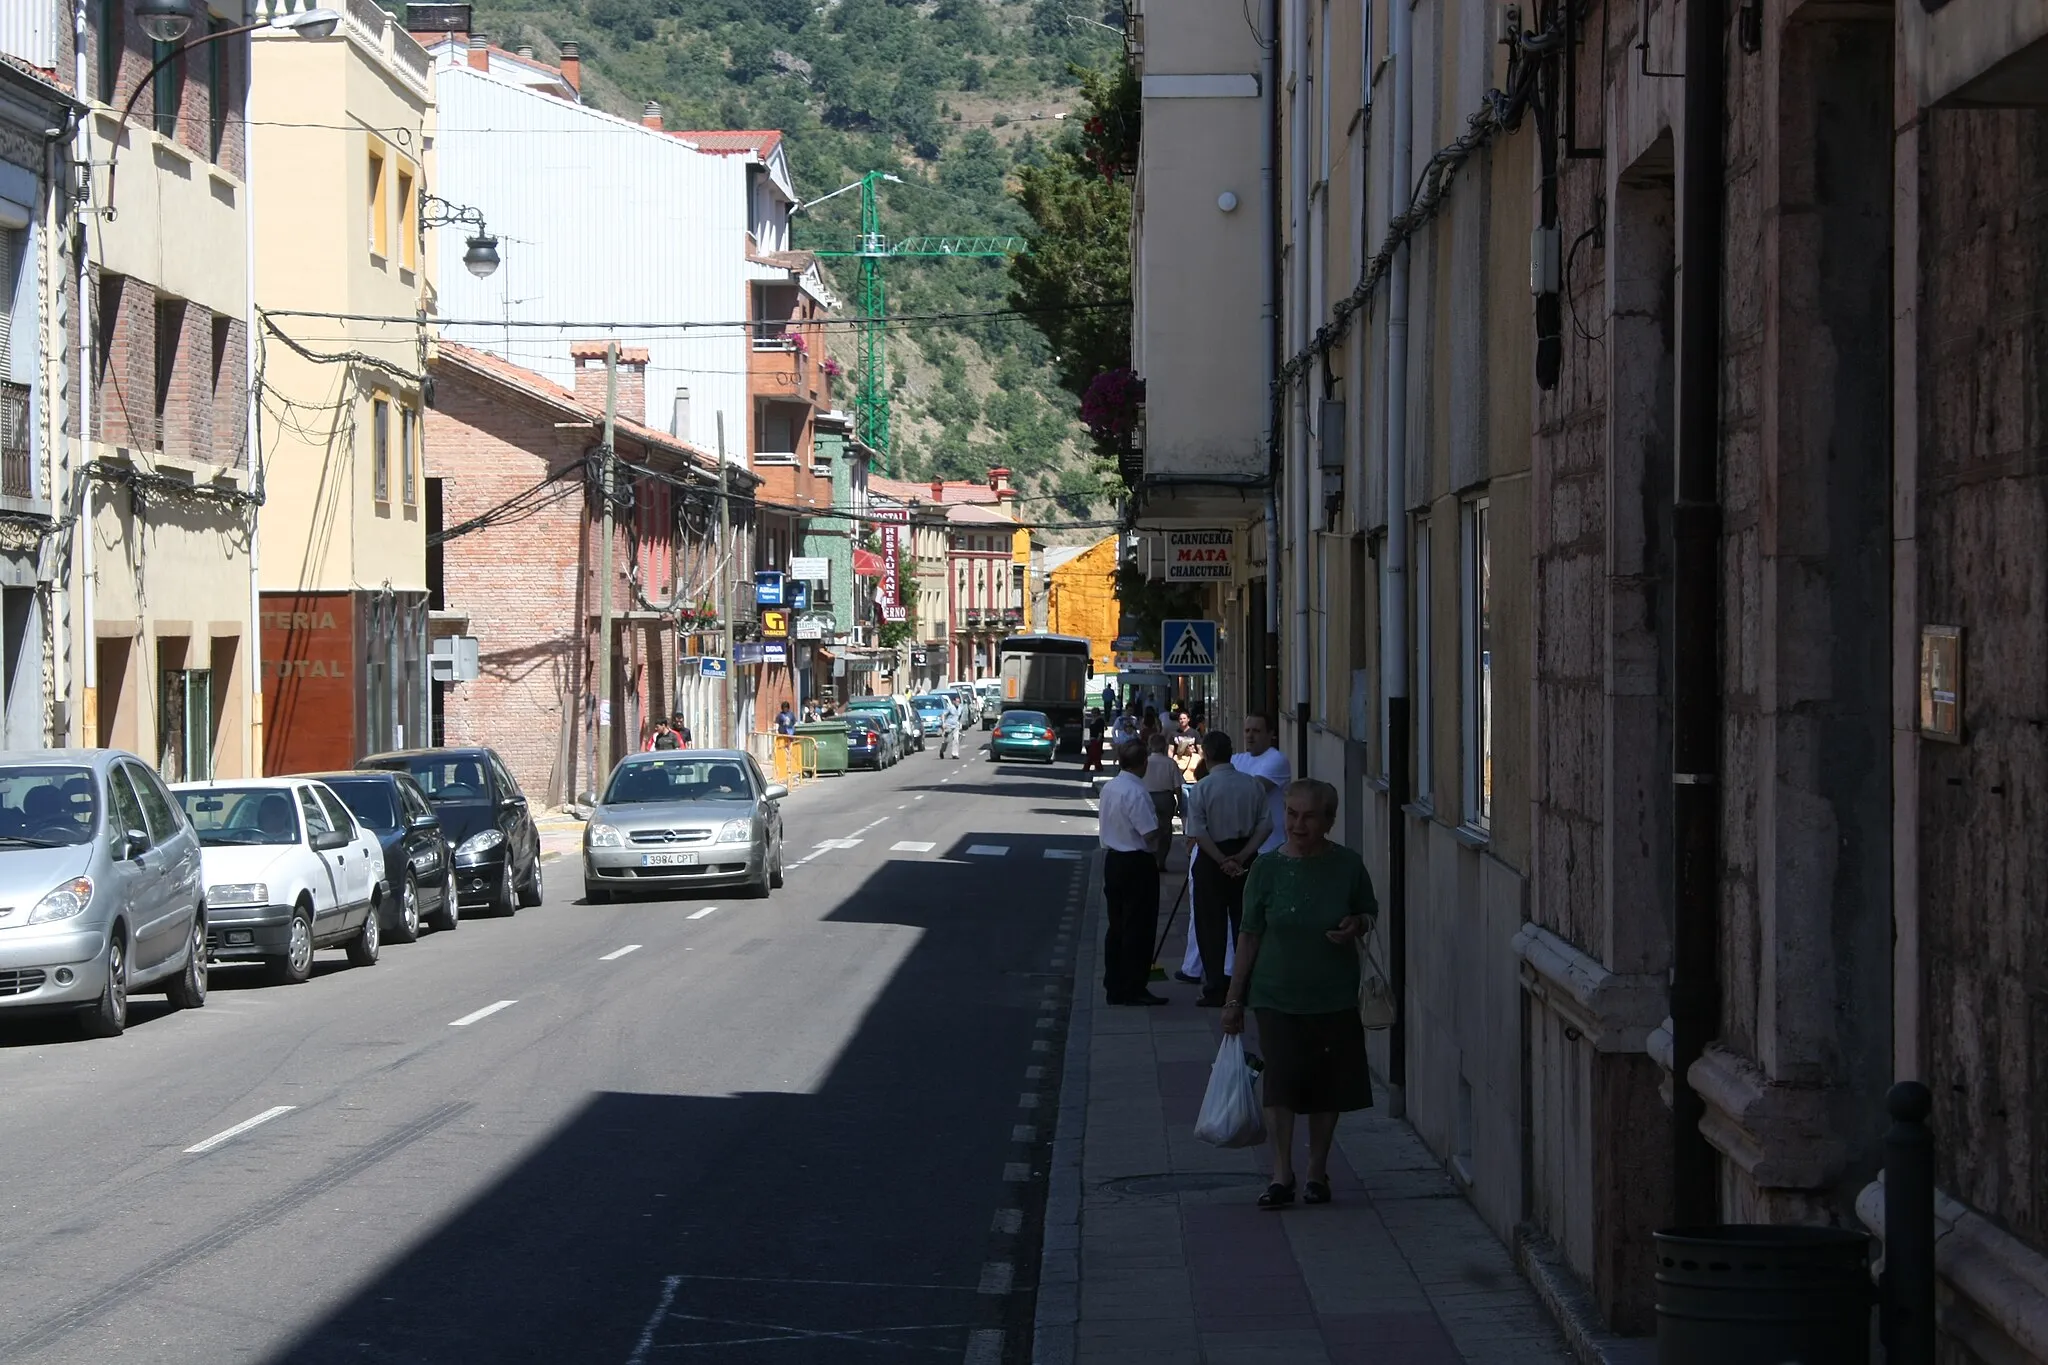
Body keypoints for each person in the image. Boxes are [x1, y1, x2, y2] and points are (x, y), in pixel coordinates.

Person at [1221, 778, 1376, 1209]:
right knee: (1282, 1081)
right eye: (1291, 814)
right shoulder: (1267, 869)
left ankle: (1317, 1171)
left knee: (1328, 1085)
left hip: (1333, 993)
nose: (1298, 824)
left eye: (1309, 816)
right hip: (1276, 994)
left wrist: (1355, 924)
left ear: (1329, 821)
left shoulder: (1347, 865)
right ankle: (1282, 1172)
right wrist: (1234, 1000)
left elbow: (1368, 910)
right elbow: (1249, 935)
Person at [1183, 731, 1271, 1005]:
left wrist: (1221, 859)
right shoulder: (1252, 785)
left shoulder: (1202, 789)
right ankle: (1245, 986)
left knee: (1211, 926)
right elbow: (1266, 825)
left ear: (1206, 755)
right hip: (1246, 857)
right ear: (1231, 752)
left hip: (1212, 859)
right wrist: (1243, 856)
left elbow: (1198, 831)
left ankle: (1215, 987)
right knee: (1247, 924)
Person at [1097, 742, 1166, 1006]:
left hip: (1113, 860)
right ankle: (1134, 986)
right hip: (1136, 862)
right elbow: (1148, 833)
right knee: (1139, 926)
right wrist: (1161, 831)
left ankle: (1114, 984)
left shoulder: (1110, 788)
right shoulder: (1137, 792)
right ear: (1143, 763)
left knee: (1116, 926)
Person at [1233, 713, 1292, 857]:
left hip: (1270, 845)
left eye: (1256, 731)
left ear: (1270, 733)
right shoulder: (1236, 759)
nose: (1250, 735)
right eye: (1247, 731)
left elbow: (1253, 791)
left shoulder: (1276, 759)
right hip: (1243, 844)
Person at [1141, 733, 1182, 869]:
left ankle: (1151, 857)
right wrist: (1180, 803)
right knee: (1165, 830)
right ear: (1164, 746)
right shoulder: (1170, 763)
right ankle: (1161, 860)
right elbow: (1177, 786)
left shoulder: (1144, 762)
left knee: (1149, 828)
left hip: (1148, 797)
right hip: (1165, 798)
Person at [940, 694, 963, 759]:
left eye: (959, 702)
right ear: (954, 702)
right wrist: (943, 723)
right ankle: (942, 751)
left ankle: (955, 754)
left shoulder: (960, 708)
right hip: (948, 726)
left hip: (956, 726)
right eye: (957, 701)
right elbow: (943, 715)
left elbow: (960, 716)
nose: (958, 703)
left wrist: (960, 723)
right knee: (946, 741)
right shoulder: (950, 708)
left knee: (956, 739)